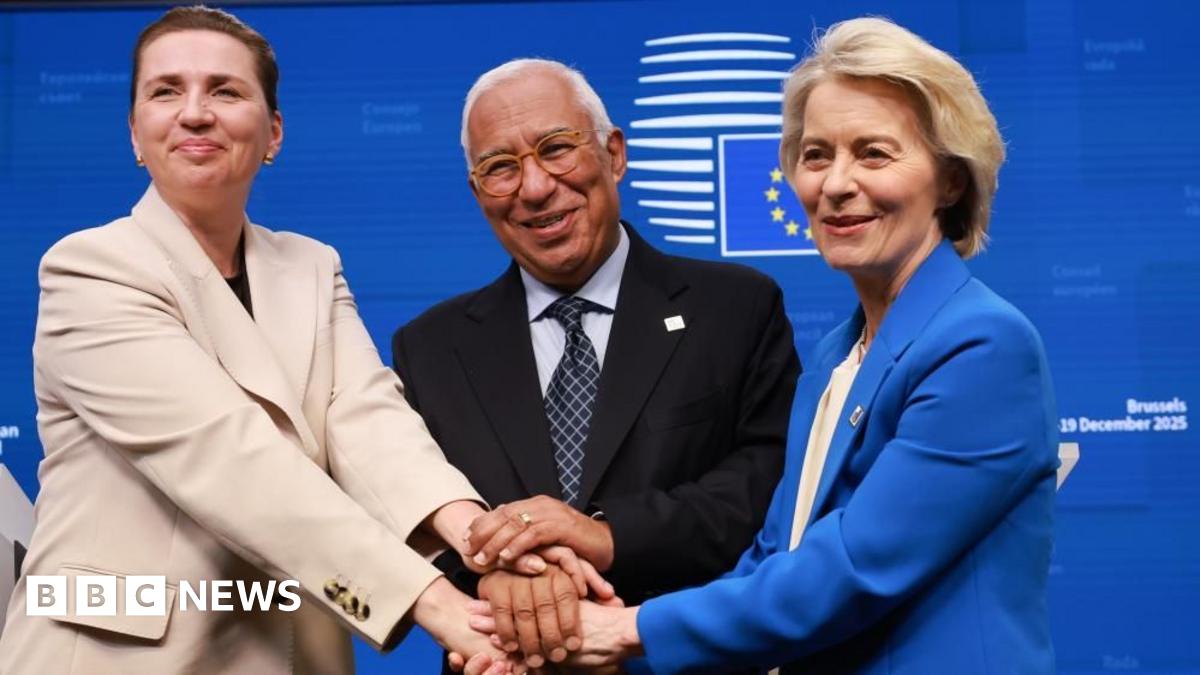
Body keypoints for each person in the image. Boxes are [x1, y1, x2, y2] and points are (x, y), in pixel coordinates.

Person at [472, 17, 1060, 674]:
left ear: (950, 179)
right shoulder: (836, 356)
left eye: (873, 153)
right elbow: (771, 560)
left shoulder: (981, 345)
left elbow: (853, 567)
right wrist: (577, 650)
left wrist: (622, 630)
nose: (836, 184)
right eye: (817, 155)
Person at [0, 7, 527, 674]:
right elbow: (232, 460)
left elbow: (368, 421)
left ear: (273, 131)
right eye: (165, 91)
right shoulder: (89, 268)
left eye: (225, 90)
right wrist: (441, 606)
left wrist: (481, 541)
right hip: (120, 655)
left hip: (292, 652)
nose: (195, 113)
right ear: (135, 132)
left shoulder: (312, 265)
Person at [392, 59, 801, 669]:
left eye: (557, 148)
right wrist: (495, 579)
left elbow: (769, 485)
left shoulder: (736, 308)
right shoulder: (430, 349)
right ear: (478, 195)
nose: (534, 187)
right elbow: (410, 513)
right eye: (500, 167)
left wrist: (607, 535)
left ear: (614, 154)